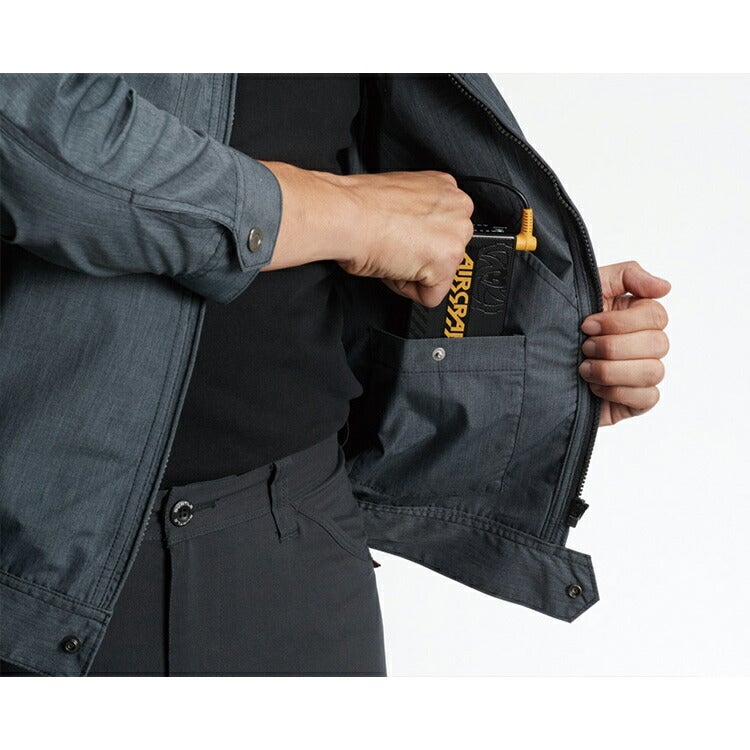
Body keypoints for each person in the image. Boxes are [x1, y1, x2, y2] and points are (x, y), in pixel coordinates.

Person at [0, 73, 670, 676]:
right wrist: (355, 217)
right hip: (43, 561)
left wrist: (541, 338)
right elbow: (34, 135)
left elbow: (351, 185)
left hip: (303, 536)